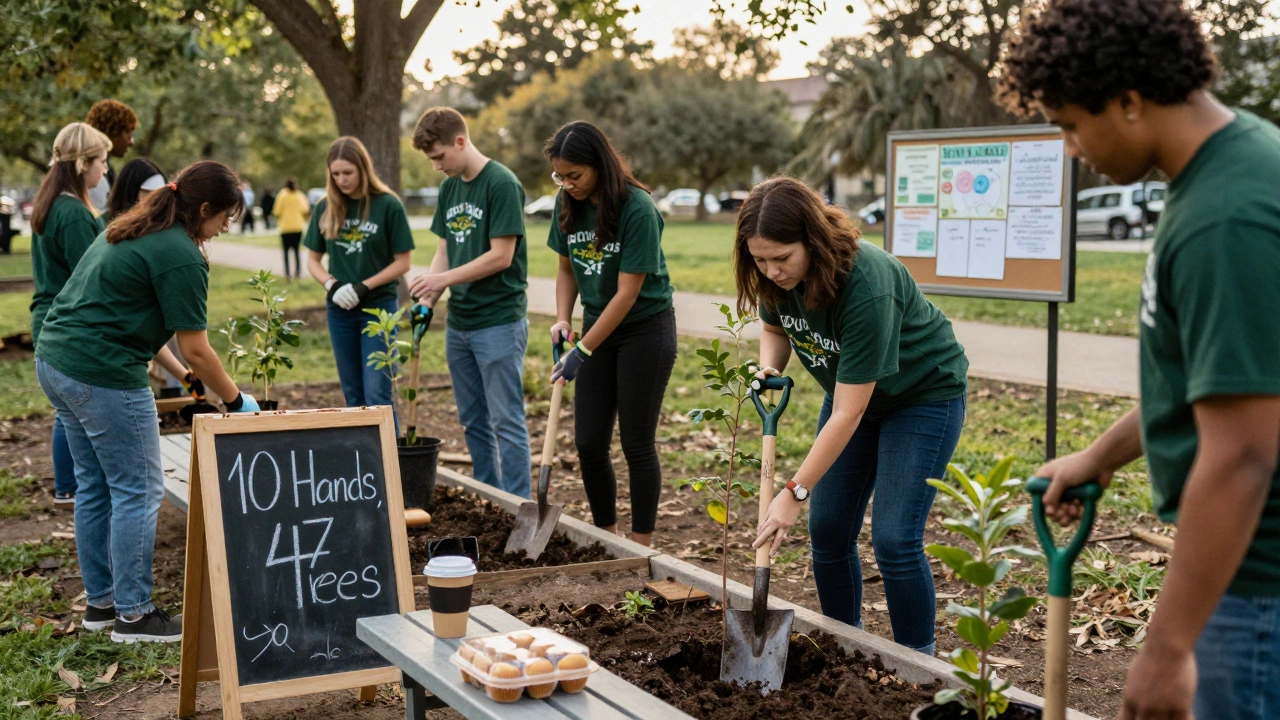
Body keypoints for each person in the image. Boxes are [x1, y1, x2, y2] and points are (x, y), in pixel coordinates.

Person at [1000, 1, 1280, 717]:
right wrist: (1099, 455)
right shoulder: (1228, 168)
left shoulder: (1228, 216)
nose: (1069, 147)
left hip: (1256, 594)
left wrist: (1166, 650)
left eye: (1069, 124)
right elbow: (1216, 382)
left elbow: (1244, 453)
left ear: (1128, 100)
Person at [741, 177, 968, 657]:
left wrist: (793, 492)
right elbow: (773, 326)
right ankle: (845, 646)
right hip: (853, 398)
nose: (772, 271)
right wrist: (768, 366)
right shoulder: (773, 274)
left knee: (894, 539)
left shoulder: (866, 283)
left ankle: (918, 664)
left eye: (782, 258)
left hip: (921, 397)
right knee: (827, 530)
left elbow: (849, 411)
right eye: (760, 260)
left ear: (813, 240)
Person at [36, 160, 259, 643]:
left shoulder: (131, 228)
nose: (223, 229)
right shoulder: (180, 253)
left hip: (56, 361)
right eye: (224, 218)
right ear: (202, 208)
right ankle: (135, 617)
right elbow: (197, 346)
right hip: (102, 374)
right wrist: (238, 401)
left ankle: (103, 606)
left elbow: (133, 317)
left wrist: (183, 377)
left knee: (95, 486)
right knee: (139, 488)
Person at [543, 121, 677, 545]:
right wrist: (564, 318)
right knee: (588, 442)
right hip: (596, 329)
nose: (567, 184)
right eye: (559, 176)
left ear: (599, 164)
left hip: (645, 330)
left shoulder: (637, 208)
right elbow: (566, 268)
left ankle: (640, 545)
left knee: (636, 443)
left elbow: (627, 293)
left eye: (575, 175)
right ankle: (607, 536)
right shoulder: (567, 204)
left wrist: (582, 350)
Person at [408, 107, 531, 498]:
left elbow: (501, 256)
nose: (436, 167)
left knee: (506, 421)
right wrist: (430, 295)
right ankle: (489, 497)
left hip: (498, 321)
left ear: (460, 141)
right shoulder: (449, 189)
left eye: (439, 157)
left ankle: (516, 503)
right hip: (459, 323)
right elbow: (445, 250)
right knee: (472, 420)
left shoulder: (502, 184)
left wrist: (442, 279)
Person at [29, 122, 112, 508]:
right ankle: (70, 486)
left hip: (46, 318)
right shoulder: (75, 214)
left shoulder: (51, 201)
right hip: (68, 324)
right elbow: (90, 279)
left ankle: (68, 485)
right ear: (83, 164)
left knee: (67, 412)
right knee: (72, 414)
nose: (106, 170)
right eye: (102, 161)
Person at [304, 137, 414, 415]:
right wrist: (332, 285)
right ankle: (361, 459)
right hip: (340, 311)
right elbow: (313, 261)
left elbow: (403, 262)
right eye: (336, 173)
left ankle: (388, 458)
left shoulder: (388, 205)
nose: (342, 180)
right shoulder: (325, 206)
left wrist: (365, 286)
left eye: (348, 173)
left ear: (363, 169)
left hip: (379, 310)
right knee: (353, 395)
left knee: (378, 393)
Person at [84, 99, 137, 213]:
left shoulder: (107, 170)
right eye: (128, 133)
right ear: (113, 132)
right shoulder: (93, 174)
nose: (131, 141)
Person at [273, 177, 309, 281]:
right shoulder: (300, 195)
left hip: (285, 228)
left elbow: (276, 211)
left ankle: (287, 274)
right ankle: (298, 272)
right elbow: (305, 210)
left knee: (286, 253)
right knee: (297, 251)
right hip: (298, 227)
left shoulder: (282, 195)